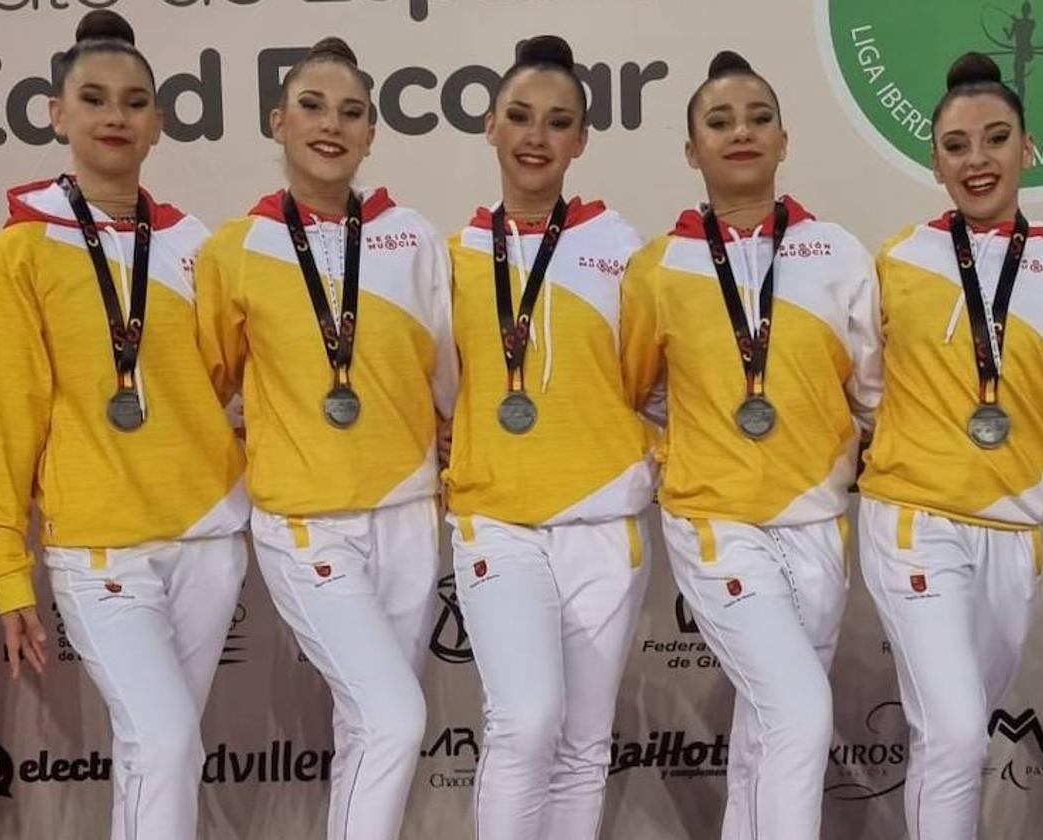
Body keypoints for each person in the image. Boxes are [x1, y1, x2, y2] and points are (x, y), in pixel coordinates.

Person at [0, 11, 249, 840]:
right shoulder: (20, 253)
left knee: (159, 751)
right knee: (162, 738)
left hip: (205, 533)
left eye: (134, 102)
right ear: (57, 112)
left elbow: (227, 381)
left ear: (159, 124)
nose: (115, 116)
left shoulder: (198, 247)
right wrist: (5, 566)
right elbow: (1, 417)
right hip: (100, 544)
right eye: (93, 98)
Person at [857, 51, 1043, 840]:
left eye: (995, 138)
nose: (977, 160)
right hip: (912, 520)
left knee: (956, 734)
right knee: (951, 729)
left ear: (1028, 148)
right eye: (955, 145)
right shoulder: (898, 260)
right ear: (933, 162)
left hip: (1014, 536)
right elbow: (867, 386)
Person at [193, 36, 455, 840]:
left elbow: (444, 378)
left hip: (409, 514)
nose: (330, 125)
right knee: (394, 716)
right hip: (305, 522)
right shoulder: (234, 249)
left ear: (373, 132)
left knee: (368, 727)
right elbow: (208, 388)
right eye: (312, 106)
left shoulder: (412, 236)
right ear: (277, 121)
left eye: (351, 112)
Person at [621, 50, 883, 840]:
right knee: (801, 712)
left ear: (784, 138)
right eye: (720, 121)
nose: (742, 132)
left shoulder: (838, 254)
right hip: (715, 524)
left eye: (758, 118)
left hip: (817, 522)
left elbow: (871, 392)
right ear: (691, 149)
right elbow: (635, 391)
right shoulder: (658, 268)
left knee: (766, 732)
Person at [443, 34, 655, 840]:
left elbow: (649, 382)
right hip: (497, 519)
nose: (537, 137)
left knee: (581, 745)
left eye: (558, 122)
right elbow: (439, 386)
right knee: (525, 722)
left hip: (605, 524)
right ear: (491, 126)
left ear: (581, 140)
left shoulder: (625, 250)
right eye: (521, 117)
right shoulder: (455, 256)